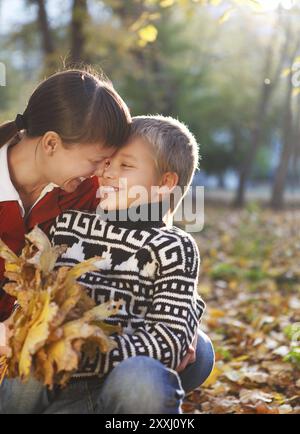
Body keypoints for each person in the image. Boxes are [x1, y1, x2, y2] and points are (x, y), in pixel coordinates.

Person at [0, 115, 214, 414]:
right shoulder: (67, 224)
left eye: (124, 166)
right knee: (30, 366)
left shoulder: (173, 247)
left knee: (144, 377)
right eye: (108, 163)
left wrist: (85, 353)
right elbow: (35, 292)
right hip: (53, 383)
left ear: (165, 183)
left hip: (118, 383)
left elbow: (170, 339)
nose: (109, 173)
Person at [0, 68, 132, 321]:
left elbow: (147, 232)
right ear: (51, 143)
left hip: (53, 339)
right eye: (97, 160)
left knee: (198, 349)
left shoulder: (88, 189)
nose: (103, 171)